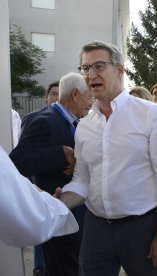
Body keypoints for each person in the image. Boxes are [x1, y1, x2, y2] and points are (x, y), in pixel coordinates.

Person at [56, 40, 157, 276]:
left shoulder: (151, 114)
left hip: (142, 229)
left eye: (98, 66)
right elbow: (82, 180)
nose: (91, 74)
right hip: (96, 229)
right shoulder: (85, 126)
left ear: (119, 69)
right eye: (85, 68)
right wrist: (59, 201)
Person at [10, 72, 92, 276]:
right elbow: (16, 162)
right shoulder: (46, 121)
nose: (90, 103)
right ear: (75, 94)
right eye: (88, 96)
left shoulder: (72, 122)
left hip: (71, 214)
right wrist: (59, 154)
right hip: (58, 213)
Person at [0, 146, 78, 247]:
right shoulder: (43, 129)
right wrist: (59, 154)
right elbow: (18, 160)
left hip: (55, 212)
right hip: (48, 213)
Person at [19, 80, 59, 276]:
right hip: (39, 186)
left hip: (62, 188)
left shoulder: (71, 118)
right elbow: (23, 156)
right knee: (41, 233)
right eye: (53, 94)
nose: (57, 98)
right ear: (46, 97)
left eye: (60, 94)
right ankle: (39, 268)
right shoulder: (34, 118)